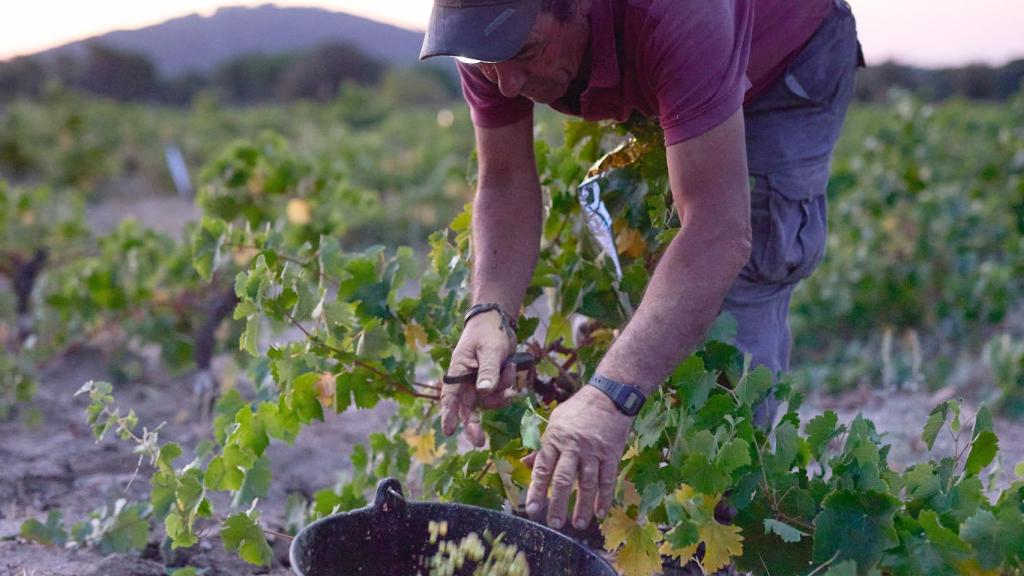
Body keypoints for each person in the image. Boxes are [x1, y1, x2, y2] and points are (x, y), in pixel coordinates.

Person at [421, 0, 863, 537]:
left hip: (786, 59)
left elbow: (718, 232)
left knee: (738, 285)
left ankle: (715, 532)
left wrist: (614, 394)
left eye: (525, 53)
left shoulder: (678, 12)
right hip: (671, 56)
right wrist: (488, 310)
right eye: (487, 63)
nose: (507, 84)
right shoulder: (491, 40)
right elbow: (505, 179)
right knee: (650, 277)